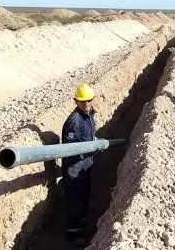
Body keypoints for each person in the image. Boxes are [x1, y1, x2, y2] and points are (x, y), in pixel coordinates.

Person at [61, 84, 97, 246]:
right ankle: (73, 234)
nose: (86, 103)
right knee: (76, 199)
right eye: (82, 101)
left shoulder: (89, 115)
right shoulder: (74, 121)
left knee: (84, 196)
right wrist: (89, 151)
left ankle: (82, 227)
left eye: (88, 100)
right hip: (75, 167)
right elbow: (71, 148)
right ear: (76, 101)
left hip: (85, 164)